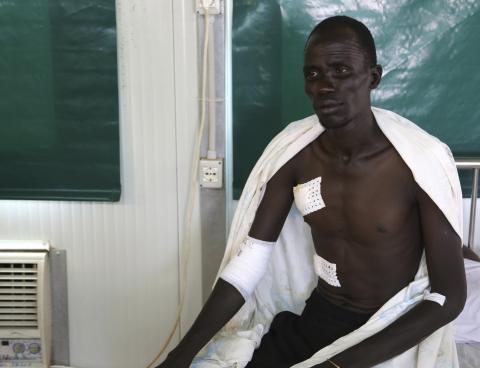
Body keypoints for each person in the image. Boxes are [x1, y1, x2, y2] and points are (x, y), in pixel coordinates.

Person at [158, 15, 466, 368]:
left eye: (341, 71)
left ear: (373, 77)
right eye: (313, 74)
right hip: (319, 319)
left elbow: (449, 295)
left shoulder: (417, 164)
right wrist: (180, 355)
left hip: (387, 330)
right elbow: (247, 267)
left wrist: (337, 366)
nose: (324, 86)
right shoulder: (296, 155)